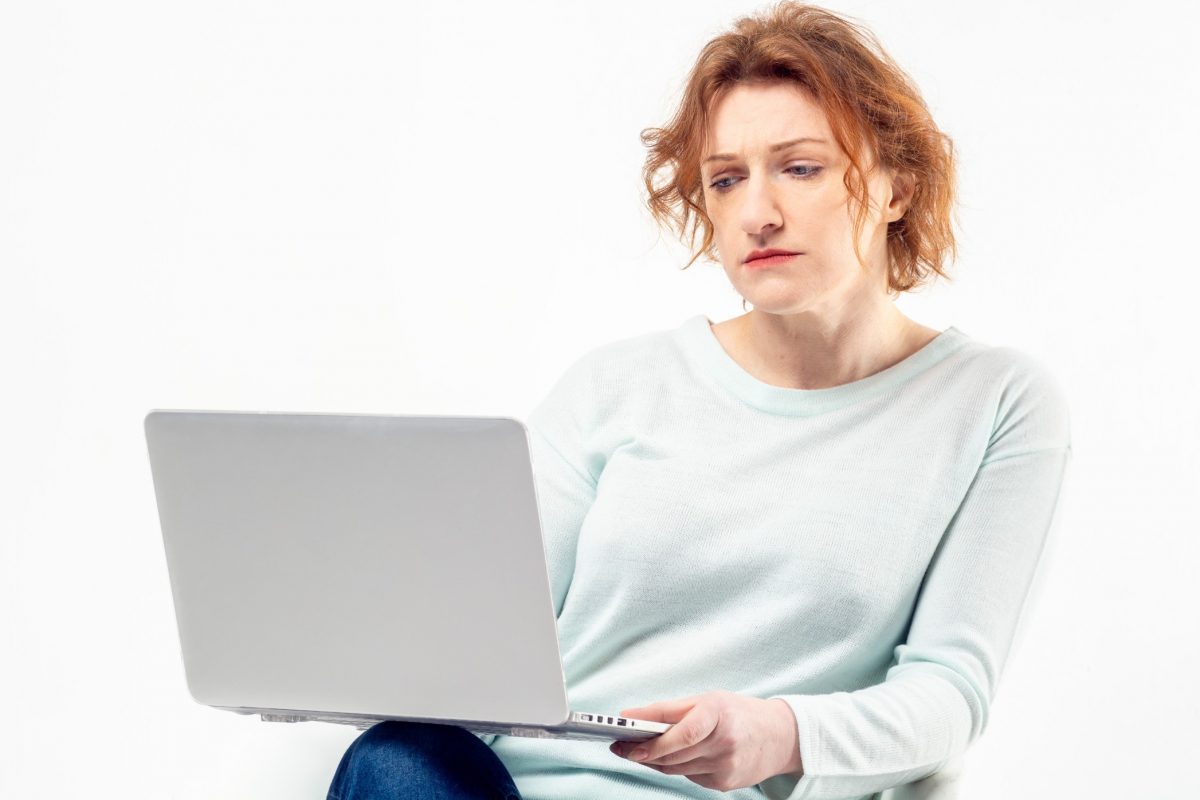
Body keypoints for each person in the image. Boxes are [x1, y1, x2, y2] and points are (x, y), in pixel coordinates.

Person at [326, 2, 1072, 799]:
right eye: (726, 179)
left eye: (800, 167)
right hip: (494, 788)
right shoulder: (614, 386)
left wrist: (780, 735)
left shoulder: (995, 402)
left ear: (898, 186)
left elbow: (949, 697)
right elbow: (479, 642)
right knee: (394, 759)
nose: (757, 213)